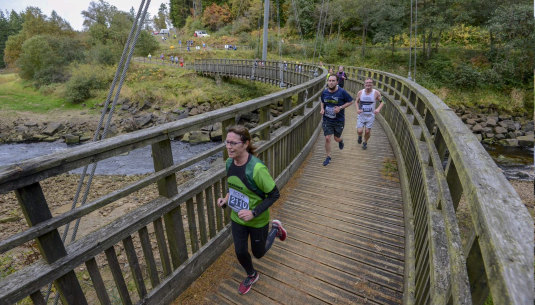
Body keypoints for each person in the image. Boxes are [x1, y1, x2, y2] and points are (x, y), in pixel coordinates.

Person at [217, 125, 287, 295]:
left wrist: (253, 213)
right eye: (227, 142)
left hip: (258, 220)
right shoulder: (228, 163)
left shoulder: (257, 169)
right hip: (237, 218)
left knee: (259, 253)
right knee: (240, 251)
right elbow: (234, 187)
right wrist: (225, 199)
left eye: (233, 143)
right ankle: (252, 274)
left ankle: (275, 229)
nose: (228, 146)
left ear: (245, 143)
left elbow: (274, 194)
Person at [320, 74, 354, 166]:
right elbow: (322, 101)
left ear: (337, 82)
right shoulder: (324, 92)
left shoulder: (342, 92)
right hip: (327, 119)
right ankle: (328, 157)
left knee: (336, 138)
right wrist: (322, 109)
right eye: (329, 81)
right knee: (327, 138)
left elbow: (351, 101)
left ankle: (340, 140)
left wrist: (340, 107)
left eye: (333, 81)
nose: (331, 82)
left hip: (339, 120)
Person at [355, 78, 384, 150]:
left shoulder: (376, 92)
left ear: (372, 84)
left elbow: (383, 101)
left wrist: (378, 109)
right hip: (361, 115)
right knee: (360, 131)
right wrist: (357, 109)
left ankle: (365, 142)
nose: (368, 84)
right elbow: (356, 102)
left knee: (367, 131)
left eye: (370, 83)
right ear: (364, 84)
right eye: (367, 83)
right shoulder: (360, 92)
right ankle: (359, 136)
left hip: (370, 115)